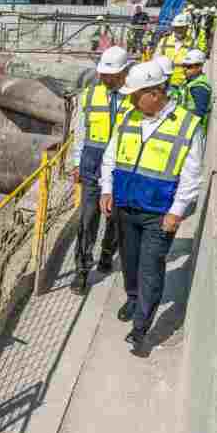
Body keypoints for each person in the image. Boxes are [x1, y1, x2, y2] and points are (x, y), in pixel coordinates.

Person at [100, 62, 205, 354]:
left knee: (150, 267)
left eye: (136, 95)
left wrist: (177, 211)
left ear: (156, 93)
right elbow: (110, 157)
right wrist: (108, 189)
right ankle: (133, 298)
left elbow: (191, 174)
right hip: (125, 205)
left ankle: (141, 328)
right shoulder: (129, 118)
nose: (131, 100)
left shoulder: (187, 125)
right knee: (130, 262)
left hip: (159, 213)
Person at [70, 46, 134, 292]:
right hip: (92, 165)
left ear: (124, 72)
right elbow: (80, 132)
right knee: (87, 220)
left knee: (116, 218)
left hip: (122, 167)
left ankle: (107, 254)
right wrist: (77, 162)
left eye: (110, 75)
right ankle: (82, 270)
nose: (105, 79)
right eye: (103, 75)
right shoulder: (89, 95)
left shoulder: (135, 97)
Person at [156, 13, 193, 87]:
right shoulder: (164, 41)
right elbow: (156, 61)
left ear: (186, 28)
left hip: (183, 84)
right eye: (177, 27)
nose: (179, 30)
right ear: (173, 28)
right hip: (163, 84)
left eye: (182, 27)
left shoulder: (192, 43)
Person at [180, 49, 212, 127]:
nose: (185, 69)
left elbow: (199, 114)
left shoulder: (199, 87)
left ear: (199, 67)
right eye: (184, 66)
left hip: (192, 128)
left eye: (189, 67)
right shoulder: (190, 81)